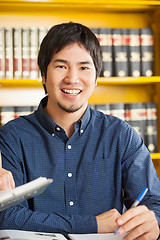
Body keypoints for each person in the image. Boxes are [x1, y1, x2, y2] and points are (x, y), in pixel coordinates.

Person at [0, 22, 159, 239]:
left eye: (84, 67)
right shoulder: (12, 137)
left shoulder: (121, 135)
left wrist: (153, 221)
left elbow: (154, 203)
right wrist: (92, 224)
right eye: (61, 66)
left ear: (95, 78)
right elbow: (7, 217)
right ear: (43, 75)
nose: (72, 78)